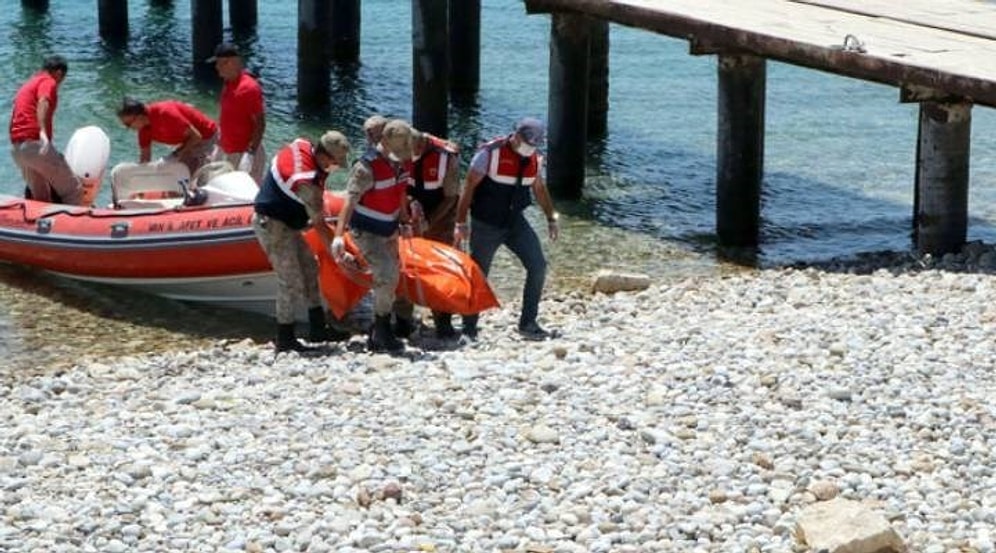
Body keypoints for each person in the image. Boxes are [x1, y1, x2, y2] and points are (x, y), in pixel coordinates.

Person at [453, 117, 560, 341]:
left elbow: (539, 189)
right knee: (479, 274)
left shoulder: (534, 159)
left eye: (534, 145)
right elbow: (468, 187)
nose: (529, 149)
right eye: (527, 143)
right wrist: (460, 223)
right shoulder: (489, 154)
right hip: (486, 224)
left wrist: (551, 217)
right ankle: (469, 328)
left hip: (515, 223)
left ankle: (528, 322)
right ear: (516, 136)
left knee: (538, 266)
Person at [253, 131, 352, 353]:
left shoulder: (302, 145)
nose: (336, 167)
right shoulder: (306, 183)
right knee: (290, 281)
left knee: (310, 268)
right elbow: (318, 223)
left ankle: (317, 329)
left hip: (288, 222)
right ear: (325, 157)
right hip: (273, 225)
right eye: (336, 163)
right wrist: (339, 253)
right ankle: (285, 337)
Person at [333, 118, 415, 353]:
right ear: (385, 142)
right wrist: (339, 236)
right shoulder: (366, 167)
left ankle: (380, 326)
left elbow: (400, 191)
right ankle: (380, 330)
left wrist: (405, 220)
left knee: (391, 276)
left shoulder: (401, 162)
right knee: (387, 275)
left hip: (388, 229)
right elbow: (349, 201)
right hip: (366, 231)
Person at [395, 128, 461, 339]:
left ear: (421, 146)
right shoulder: (400, 150)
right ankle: (403, 320)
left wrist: (429, 223)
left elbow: (451, 197)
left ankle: (443, 320)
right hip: (410, 211)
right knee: (404, 266)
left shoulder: (446, 159)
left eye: (410, 150)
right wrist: (408, 213)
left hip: (441, 215)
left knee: (440, 269)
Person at [8, 55, 83, 205]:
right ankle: (70, 227)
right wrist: (42, 131)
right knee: (73, 190)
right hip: (35, 145)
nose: (60, 83)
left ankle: (39, 226)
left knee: (41, 197)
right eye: (62, 78)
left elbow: (13, 113)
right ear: (59, 73)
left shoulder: (28, 84)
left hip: (17, 149)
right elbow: (44, 101)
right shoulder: (48, 81)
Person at [116, 97, 219, 203]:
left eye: (128, 124)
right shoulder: (144, 130)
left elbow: (197, 136)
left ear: (139, 116)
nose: (128, 128)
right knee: (170, 172)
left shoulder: (166, 114)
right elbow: (145, 158)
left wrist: (178, 153)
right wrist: (140, 187)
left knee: (196, 180)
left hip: (206, 137)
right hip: (188, 142)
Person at [208, 42, 267, 185]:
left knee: (244, 195)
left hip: (243, 153)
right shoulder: (228, 83)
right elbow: (228, 115)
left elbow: (260, 122)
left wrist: (250, 154)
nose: (216, 67)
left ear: (232, 63)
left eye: (220, 63)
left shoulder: (249, 88)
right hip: (225, 149)